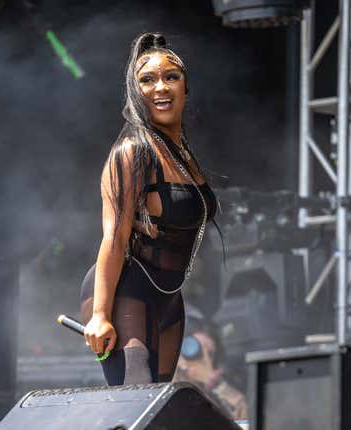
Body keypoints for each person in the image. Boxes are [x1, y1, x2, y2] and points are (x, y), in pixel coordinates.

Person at [79, 32, 219, 386]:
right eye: (147, 79)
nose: (161, 87)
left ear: (186, 88)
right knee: (135, 402)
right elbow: (114, 236)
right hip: (126, 290)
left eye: (171, 76)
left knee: (158, 410)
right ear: (135, 91)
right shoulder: (133, 151)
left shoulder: (183, 156)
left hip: (169, 297)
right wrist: (99, 314)